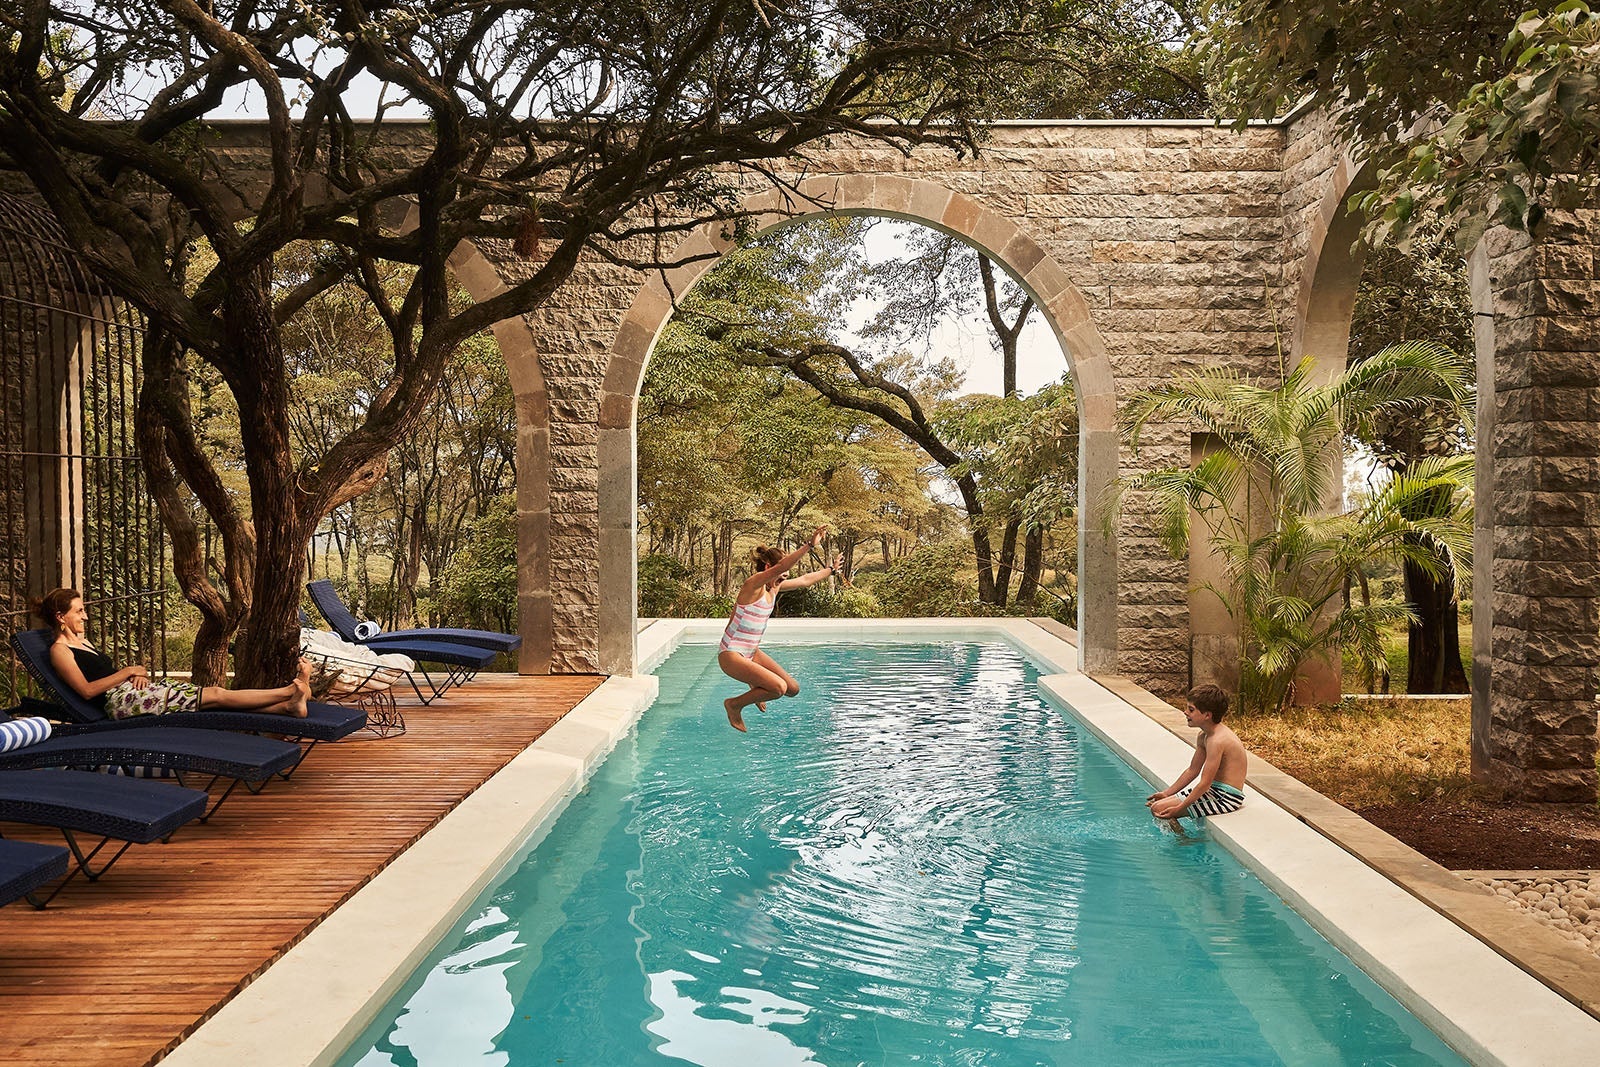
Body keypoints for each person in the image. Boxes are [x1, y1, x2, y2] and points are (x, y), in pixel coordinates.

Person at [35, 587, 312, 720]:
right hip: (120, 705)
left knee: (215, 703)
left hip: (132, 693)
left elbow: (114, 674)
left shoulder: (83, 642)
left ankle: (289, 706)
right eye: (79, 611)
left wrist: (137, 674)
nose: (85, 616)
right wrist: (127, 672)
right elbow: (85, 691)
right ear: (61, 617)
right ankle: (289, 691)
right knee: (215, 694)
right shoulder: (60, 650)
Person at [718, 525, 841, 733]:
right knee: (777, 688)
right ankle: (734, 704)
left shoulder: (774, 588)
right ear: (768, 567)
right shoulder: (753, 585)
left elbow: (804, 580)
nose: (784, 577)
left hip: (751, 652)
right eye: (781, 572)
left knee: (792, 689)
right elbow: (783, 565)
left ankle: (755, 685)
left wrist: (832, 570)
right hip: (732, 654)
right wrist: (810, 545)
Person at [1146, 682, 1247, 820]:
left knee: (1159, 809)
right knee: (1159, 805)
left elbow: (1205, 783)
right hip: (1214, 790)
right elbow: (1192, 770)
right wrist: (1166, 793)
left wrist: (1179, 809)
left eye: (1191, 709)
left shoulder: (1217, 741)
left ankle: (1182, 840)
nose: (1185, 712)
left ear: (1207, 715)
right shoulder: (1204, 735)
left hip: (1226, 797)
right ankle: (1181, 838)